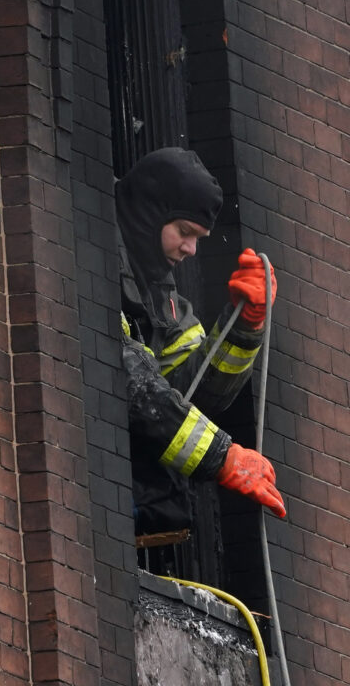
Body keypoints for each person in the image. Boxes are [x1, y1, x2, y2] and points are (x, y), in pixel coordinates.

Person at [115, 148, 286, 541]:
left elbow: (193, 395)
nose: (191, 249)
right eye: (185, 232)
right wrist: (223, 458)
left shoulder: (162, 293)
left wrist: (245, 325)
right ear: (151, 215)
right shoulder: (95, 254)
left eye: (198, 238)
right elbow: (130, 382)